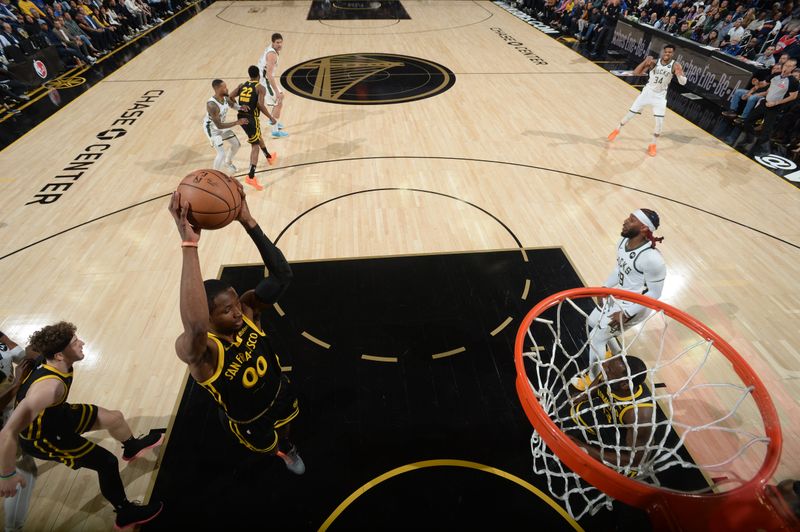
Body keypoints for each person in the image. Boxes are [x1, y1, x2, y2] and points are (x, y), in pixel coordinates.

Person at [168, 182, 305, 475]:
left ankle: (288, 446)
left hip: (279, 391)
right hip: (250, 419)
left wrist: (248, 221)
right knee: (270, 445)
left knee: (288, 425)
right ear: (208, 316)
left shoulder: (248, 311)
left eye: (235, 303)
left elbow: (282, 275)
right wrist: (189, 246)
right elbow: (194, 325)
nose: (237, 312)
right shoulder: (203, 352)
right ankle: (281, 452)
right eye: (226, 310)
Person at [0, 322, 164, 530]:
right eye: (75, 342)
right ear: (60, 355)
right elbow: (7, 432)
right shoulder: (48, 388)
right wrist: (6, 474)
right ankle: (125, 513)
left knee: (114, 418)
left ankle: (132, 446)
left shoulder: (50, 358)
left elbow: (33, 348)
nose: (82, 343)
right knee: (107, 462)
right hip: (45, 437)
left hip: (58, 415)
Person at [575, 209, 665, 387]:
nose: (625, 221)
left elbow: (655, 293)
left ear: (644, 227)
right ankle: (615, 356)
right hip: (618, 298)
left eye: (632, 220)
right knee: (592, 323)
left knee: (596, 339)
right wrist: (605, 288)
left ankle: (596, 380)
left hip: (635, 306)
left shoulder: (653, 259)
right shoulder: (623, 241)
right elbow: (620, 269)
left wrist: (626, 313)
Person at [568, 355, 655, 471]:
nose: (603, 366)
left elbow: (634, 461)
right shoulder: (610, 375)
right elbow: (599, 379)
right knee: (576, 410)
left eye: (609, 369)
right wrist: (583, 396)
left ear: (624, 385)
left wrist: (584, 449)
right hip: (609, 416)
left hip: (623, 446)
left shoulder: (638, 415)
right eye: (607, 364)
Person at [607, 44, 688, 156]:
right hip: (647, 93)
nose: (667, 54)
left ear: (673, 54)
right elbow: (636, 73)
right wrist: (645, 61)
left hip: (660, 96)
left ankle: (652, 145)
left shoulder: (675, 65)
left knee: (659, 123)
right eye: (666, 52)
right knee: (630, 115)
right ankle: (617, 130)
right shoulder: (654, 62)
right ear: (663, 52)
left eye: (670, 52)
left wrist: (680, 76)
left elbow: (683, 83)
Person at [0, 331, 37, 532]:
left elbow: (22, 357)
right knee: (24, 472)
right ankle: (12, 528)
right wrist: (16, 386)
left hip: (11, 416)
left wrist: (31, 352)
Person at [732, 58, 799, 154]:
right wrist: (757, 83)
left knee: (766, 131)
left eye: (789, 66)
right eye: (786, 65)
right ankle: (750, 138)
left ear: (793, 68)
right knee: (747, 121)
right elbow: (763, 84)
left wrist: (776, 103)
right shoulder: (775, 75)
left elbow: (793, 96)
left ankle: (762, 152)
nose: (787, 67)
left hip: (775, 108)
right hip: (765, 103)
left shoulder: (793, 81)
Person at [229, 65, 278, 191]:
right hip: (251, 118)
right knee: (255, 146)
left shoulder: (242, 85)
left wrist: (239, 107)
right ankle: (251, 176)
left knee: (257, 136)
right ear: (259, 75)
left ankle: (268, 156)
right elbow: (260, 105)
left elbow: (230, 97)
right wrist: (270, 117)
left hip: (241, 116)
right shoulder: (260, 88)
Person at [203, 78, 247, 174]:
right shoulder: (212, 105)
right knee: (221, 153)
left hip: (221, 126)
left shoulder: (225, 98)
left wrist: (241, 108)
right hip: (212, 129)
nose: (227, 89)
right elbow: (218, 125)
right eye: (225, 88)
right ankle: (215, 175)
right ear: (218, 89)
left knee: (236, 144)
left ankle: (228, 163)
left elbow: (233, 105)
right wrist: (237, 122)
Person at [258, 32, 288, 138]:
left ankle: (273, 120)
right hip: (264, 80)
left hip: (262, 78)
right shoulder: (272, 55)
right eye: (277, 42)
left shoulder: (271, 49)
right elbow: (269, 75)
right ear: (273, 42)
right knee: (279, 99)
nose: (279, 45)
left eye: (281, 42)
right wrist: (276, 90)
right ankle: (275, 131)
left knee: (279, 100)